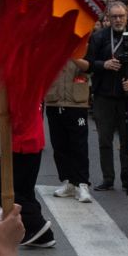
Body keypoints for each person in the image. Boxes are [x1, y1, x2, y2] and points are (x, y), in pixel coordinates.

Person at [0, 92, 53, 249]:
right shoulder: (31, 80)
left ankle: (37, 223)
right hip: (33, 141)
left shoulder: (22, 84)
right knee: (24, 192)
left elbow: (16, 119)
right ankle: (42, 234)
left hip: (21, 145)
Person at [86, 1, 128, 191]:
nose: (118, 20)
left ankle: (127, 178)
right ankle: (108, 178)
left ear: (127, 17)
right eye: (114, 16)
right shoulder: (99, 37)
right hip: (104, 95)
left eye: (121, 16)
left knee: (127, 140)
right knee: (104, 139)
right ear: (108, 18)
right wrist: (103, 64)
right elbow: (88, 62)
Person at [44, 52, 93, 203]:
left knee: (79, 145)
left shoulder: (83, 43)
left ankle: (82, 184)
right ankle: (68, 182)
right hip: (54, 99)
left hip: (76, 101)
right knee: (59, 145)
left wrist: (72, 55)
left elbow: (90, 67)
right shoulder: (50, 45)